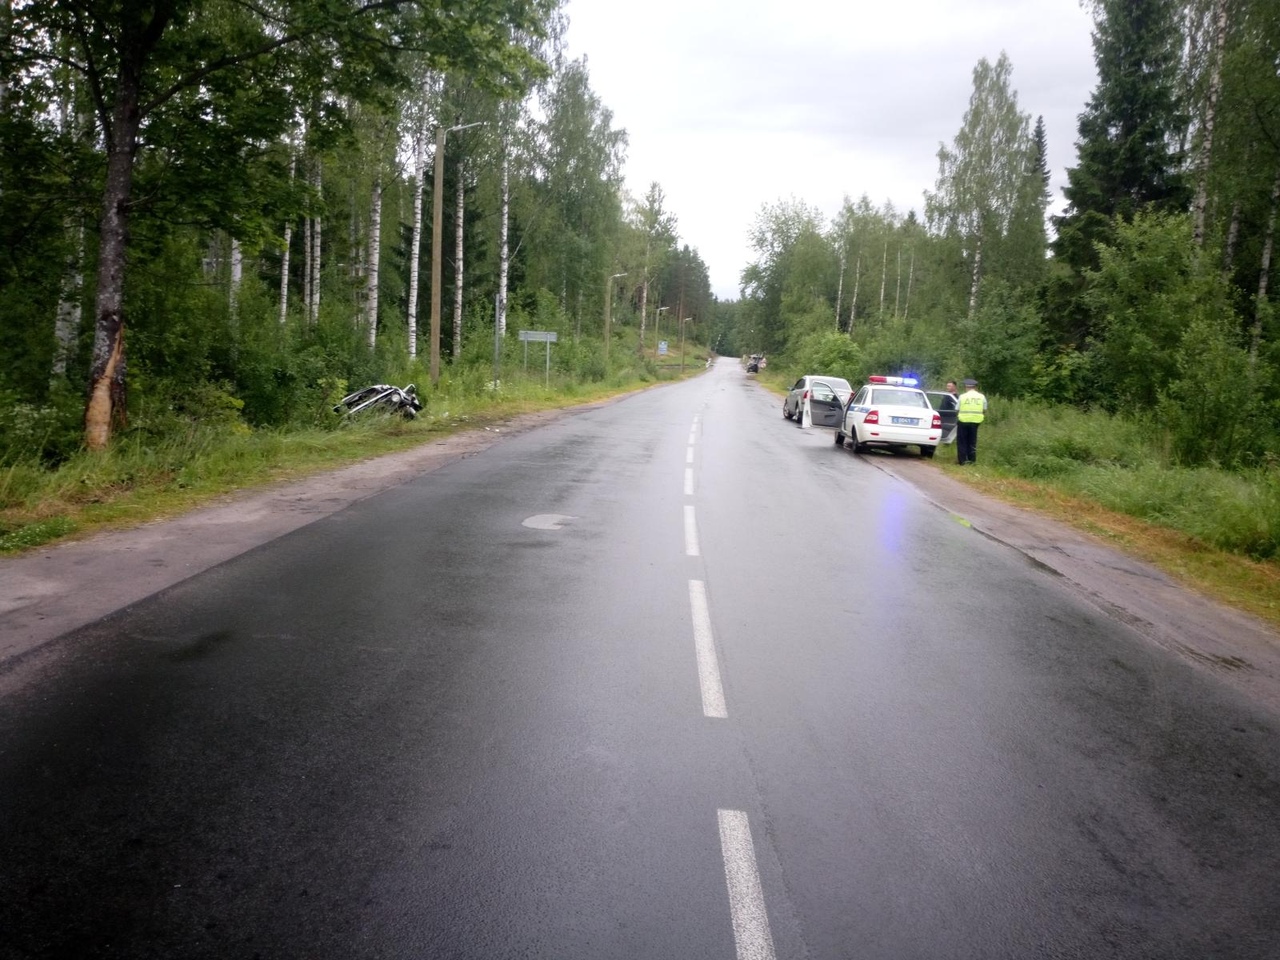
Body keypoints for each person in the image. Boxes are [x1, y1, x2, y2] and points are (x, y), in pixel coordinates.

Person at [956, 377, 987, 465]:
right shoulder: (982, 397)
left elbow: (957, 409)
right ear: (975, 387)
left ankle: (962, 461)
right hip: (976, 422)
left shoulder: (962, 396)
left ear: (966, 387)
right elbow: (984, 409)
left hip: (963, 421)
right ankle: (972, 461)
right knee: (972, 441)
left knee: (962, 441)